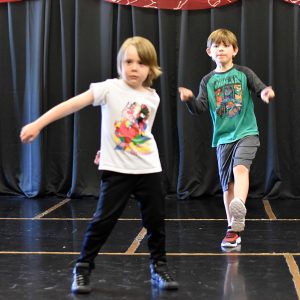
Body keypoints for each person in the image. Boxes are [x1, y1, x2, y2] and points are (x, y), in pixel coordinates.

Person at [20, 36, 178, 294]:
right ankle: (82, 268)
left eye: (141, 62)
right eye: (128, 61)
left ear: (151, 68)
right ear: (119, 64)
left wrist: (108, 147)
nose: (134, 67)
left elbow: (137, 132)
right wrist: (38, 124)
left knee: (155, 222)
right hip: (117, 172)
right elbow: (71, 105)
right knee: (103, 221)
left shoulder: (152, 97)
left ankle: (159, 266)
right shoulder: (109, 88)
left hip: (149, 168)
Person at [178, 28, 275, 249]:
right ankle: (233, 229)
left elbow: (260, 88)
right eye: (216, 46)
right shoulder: (208, 81)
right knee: (227, 186)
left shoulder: (244, 73)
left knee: (240, 168)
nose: (220, 49)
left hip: (247, 132)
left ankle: (239, 205)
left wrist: (264, 93)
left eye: (225, 45)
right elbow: (200, 108)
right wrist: (189, 98)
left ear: (234, 50)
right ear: (209, 52)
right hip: (223, 138)